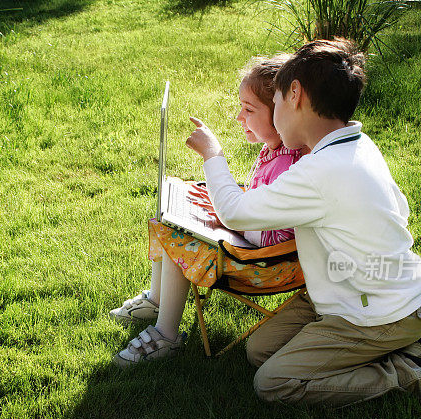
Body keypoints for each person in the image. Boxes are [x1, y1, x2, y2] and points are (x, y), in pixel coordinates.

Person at [184, 38, 421, 407]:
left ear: (295, 94)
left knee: (272, 383)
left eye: (278, 100)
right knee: (259, 351)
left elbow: (235, 212)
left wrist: (213, 154)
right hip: (342, 294)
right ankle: (394, 350)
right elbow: (401, 208)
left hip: (383, 313)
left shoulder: (319, 170)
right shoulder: (358, 144)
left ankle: (415, 373)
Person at [110, 54, 302, 367]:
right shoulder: (276, 151)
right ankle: (158, 299)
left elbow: (273, 235)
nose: (240, 117)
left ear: (281, 112)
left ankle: (166, 335)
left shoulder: (285, 164)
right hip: (254, 240)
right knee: (174, 206)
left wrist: (230, 224)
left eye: (249, 110)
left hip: (266, 263)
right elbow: (262, 206)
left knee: (180, 234)